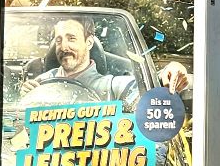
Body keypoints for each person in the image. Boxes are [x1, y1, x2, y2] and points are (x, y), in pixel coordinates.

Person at [24, 18, 189, 104]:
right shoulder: (41, 83)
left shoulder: (112, 85)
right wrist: (23, 96)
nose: (63, 46)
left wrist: (173, 68)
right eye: (59, 40)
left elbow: (149, 89)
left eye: (72, 38)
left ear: (89, 42)